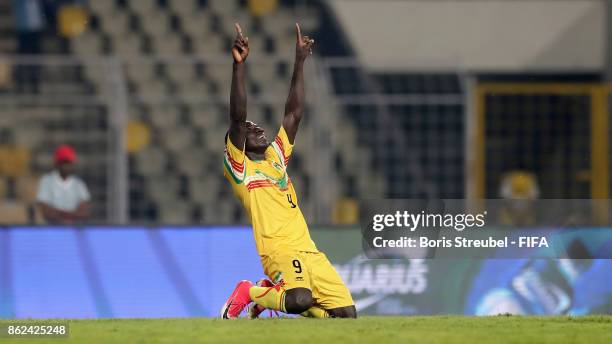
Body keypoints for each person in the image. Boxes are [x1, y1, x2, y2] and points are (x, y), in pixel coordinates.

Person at [220, 23, 356, 319]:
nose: (257, 128)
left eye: (257, 126)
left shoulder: (275, 160)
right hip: (279, 251)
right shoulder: (240, 168)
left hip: (309, 250)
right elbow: (238, 115)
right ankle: (249, 292)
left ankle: (269, 294)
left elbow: (294, 114)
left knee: (346, 316)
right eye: (250, 129)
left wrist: (299, 62)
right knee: (299, 300)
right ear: (239, 141)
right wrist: (238, 67)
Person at [36, 144, 91, 224]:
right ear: (57, 164)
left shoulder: (79, 184)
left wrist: (65, 216)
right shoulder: (47, 181)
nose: (67, 166)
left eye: (69, 163)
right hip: (52, 228)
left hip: (73, 227)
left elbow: (85, 211)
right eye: (64, 163)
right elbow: (45, 210)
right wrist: (67, 215)